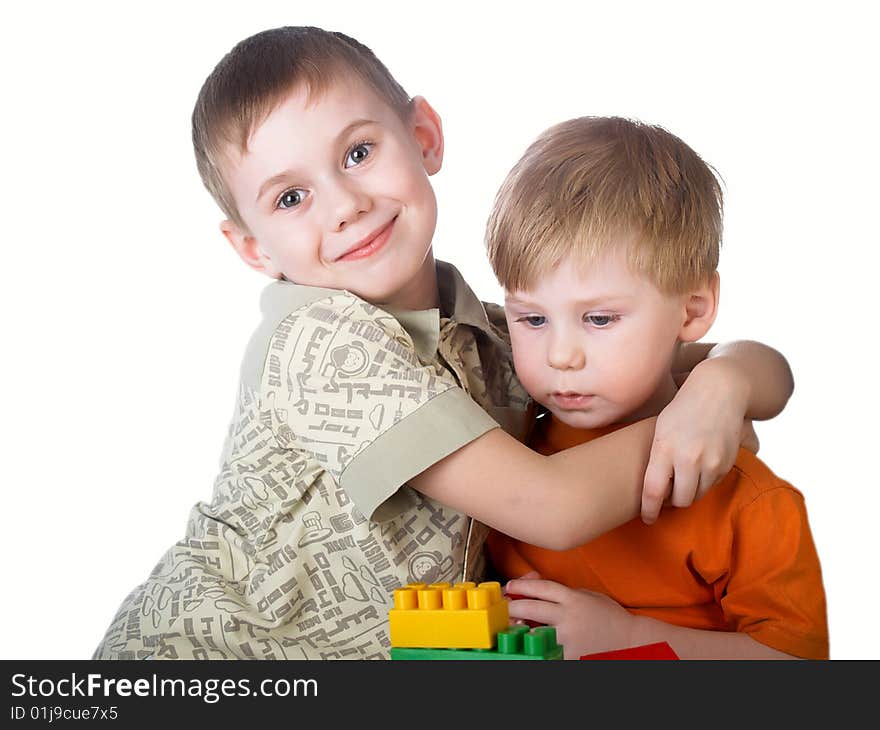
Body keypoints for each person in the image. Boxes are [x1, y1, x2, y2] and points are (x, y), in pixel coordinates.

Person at [92, 27, 794, 660]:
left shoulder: (496, 333)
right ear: (252, 247)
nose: (346, 205)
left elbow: (736, 371)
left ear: (423, 135)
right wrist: (706, 426)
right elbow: (549, 509)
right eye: (290, 198)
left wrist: (725, 384)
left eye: (358, 153)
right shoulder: (318, 342)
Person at [485, 116, 827, 659]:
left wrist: (630, 641)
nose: (559, 355)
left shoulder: (749, 499)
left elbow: (799, 661)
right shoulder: (507, 451)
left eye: (598, 319)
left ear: (693, 311)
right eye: (531, 319)